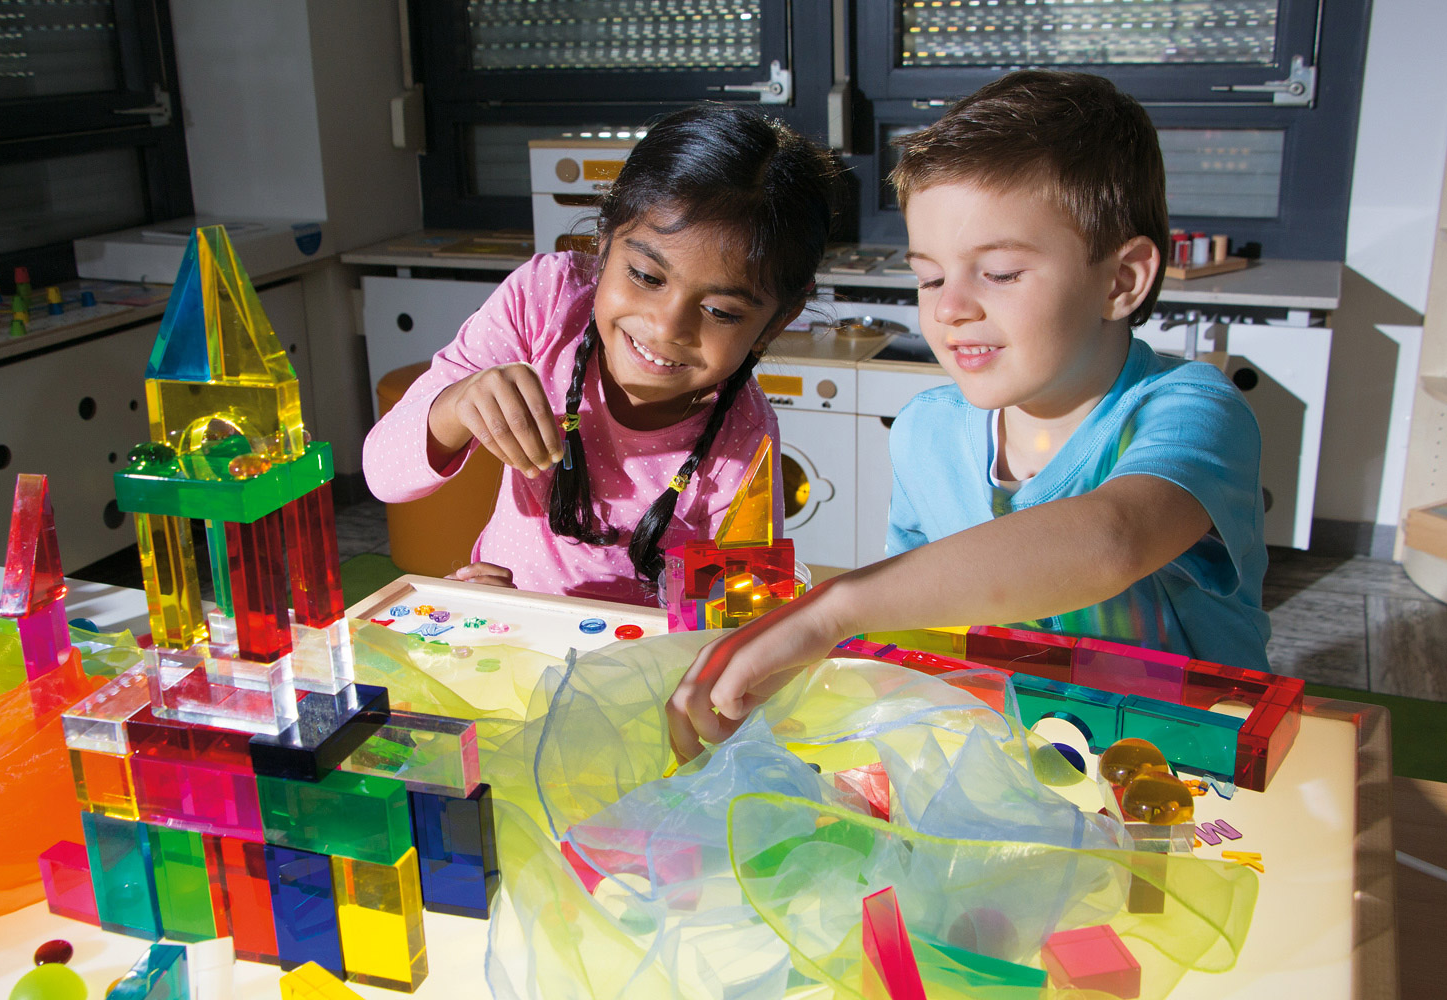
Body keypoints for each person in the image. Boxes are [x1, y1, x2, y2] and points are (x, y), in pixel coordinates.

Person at [668, 71, 1270, 761]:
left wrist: (834, 610)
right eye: (930, 276)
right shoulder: (927, 432)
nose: (949, 308)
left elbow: (1113, 539)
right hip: (1009, 762)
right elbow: (920, 621)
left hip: (1188, 770)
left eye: (1001, 273)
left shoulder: (1191, 409)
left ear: (1120, 280)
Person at [363, 103, 837, 606]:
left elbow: (740, 616)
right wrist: (456, 406)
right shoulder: (544, 303)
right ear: (605, 240)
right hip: (507, 633)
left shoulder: (742, 439)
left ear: (778, 320)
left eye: (720, 310)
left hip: (629, 671)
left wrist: (617, 627)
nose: (666, 328)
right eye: (646, 277)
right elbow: (383, 473)